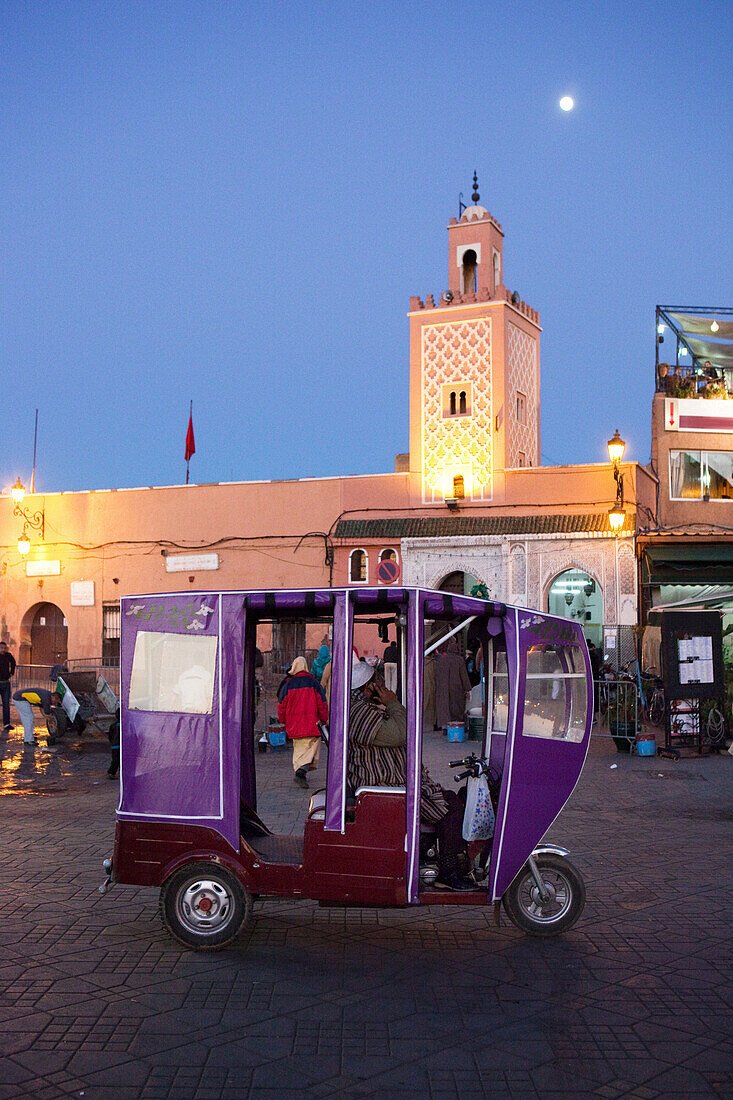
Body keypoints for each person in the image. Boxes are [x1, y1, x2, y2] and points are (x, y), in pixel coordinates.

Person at [348, 661, 472, 890]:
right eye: (378, 681)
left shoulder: (364, 709)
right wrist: (393, 703)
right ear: (368, 688)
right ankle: (448, 870)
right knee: (451, 808)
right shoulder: (358, 712)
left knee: (456, 798)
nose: (382, 685)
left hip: (391, 778)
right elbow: (402, 733)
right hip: (384, 783)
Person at [277, 656, 329, 788]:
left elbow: (281, 704)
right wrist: (324, 719)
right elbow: (322, 703)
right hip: (312, 723)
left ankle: (301, 772)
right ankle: (301, 772)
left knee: (299, 749)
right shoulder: (314, 683)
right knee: (311, 749)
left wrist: (283, 720)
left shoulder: (288, 684)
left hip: (294, 724)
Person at [434, 640, 471, 731]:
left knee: (444, 707)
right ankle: (455, 727)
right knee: (456, 708)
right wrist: (468, 689)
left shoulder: (441, 660)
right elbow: (464, 676)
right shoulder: (459, 660)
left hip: (442, 688)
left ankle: (444, 727)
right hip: (456, 688)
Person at [0, 642, 17, 736]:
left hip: (5, 682)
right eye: (1, 648)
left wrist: (12, 673)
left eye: (4, 648)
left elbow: (13, 662)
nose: (2, 650)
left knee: (6, 704)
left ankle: (6, 724)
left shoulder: (8, 655)